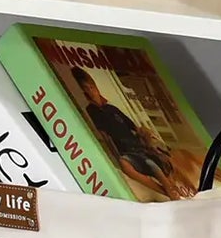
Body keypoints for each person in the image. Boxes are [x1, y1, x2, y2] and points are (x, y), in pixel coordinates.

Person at [69, 67, 194, 199]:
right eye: (86, 89)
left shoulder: (112, 109)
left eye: (91, 87)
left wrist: (146, 134)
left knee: (152, 165)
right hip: (126, 152)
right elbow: (104, 136)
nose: (90, 91)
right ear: (83, 91)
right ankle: (167, 192)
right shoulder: (91, 111)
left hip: (138, 147)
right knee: (127, 166)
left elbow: (135, 127)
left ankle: (171, 189)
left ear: (95, 87)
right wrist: (114, 154)